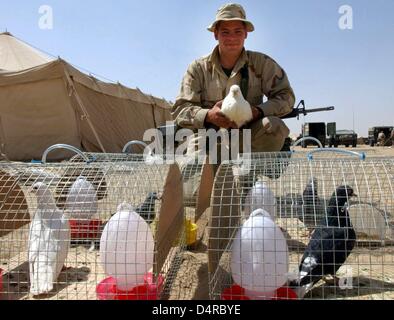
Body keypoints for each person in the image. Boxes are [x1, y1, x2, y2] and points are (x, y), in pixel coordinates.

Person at [172, 3, 296, 162]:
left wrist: (257, 111)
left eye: (238, 31)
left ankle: (247, 180)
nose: (232, 38)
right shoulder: (198, 68)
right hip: (209, 137)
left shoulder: (262, 64)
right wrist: (208, 115)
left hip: (248, 137)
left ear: (246, 34)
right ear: (215, 34)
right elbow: (180, 109)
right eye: (225, 32)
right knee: (193, 169)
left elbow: (286, 97)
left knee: (274, 126)